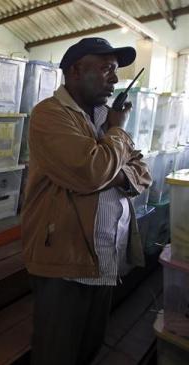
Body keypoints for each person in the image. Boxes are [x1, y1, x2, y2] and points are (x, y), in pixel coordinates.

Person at [21, 37, 152, 365]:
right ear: (76, 70)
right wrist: (117, 135)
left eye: (116, 70)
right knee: (57, 352)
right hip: (64, 256)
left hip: (104, 254)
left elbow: (143, 173)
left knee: (89, 347)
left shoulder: (106, 118)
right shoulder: (50, 115)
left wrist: (114, 167)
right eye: (107, 68)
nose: (116, 79)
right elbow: (90, 173)